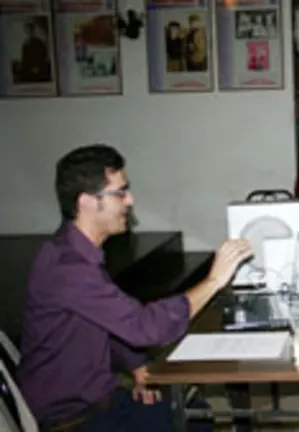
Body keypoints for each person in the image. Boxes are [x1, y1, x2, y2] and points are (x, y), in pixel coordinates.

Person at [18, 144, 253, 431]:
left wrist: (137, 366)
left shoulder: (76, 253)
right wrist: (214, 281)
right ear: (87, 202)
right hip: (70, 419)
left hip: (95, 400)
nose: (130, 200)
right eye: (120, 192)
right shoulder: (68, 268)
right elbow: (145, 327)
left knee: (193, 411)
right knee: (191, 420)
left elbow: (107, 322)